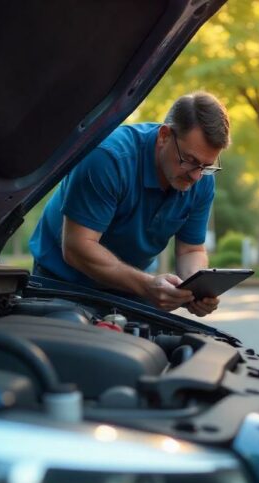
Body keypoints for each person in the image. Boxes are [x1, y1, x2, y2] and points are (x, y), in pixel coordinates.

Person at [29, 92, 230, 317]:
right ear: (164, 135)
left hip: (131, 286)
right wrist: (146, 285)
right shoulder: (108, 158)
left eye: (206, 166)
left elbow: (191, 249)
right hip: (62, 282)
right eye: (190, 160)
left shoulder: (202, 179)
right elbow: (77, 247)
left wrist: (196, 290)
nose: (196, 176)